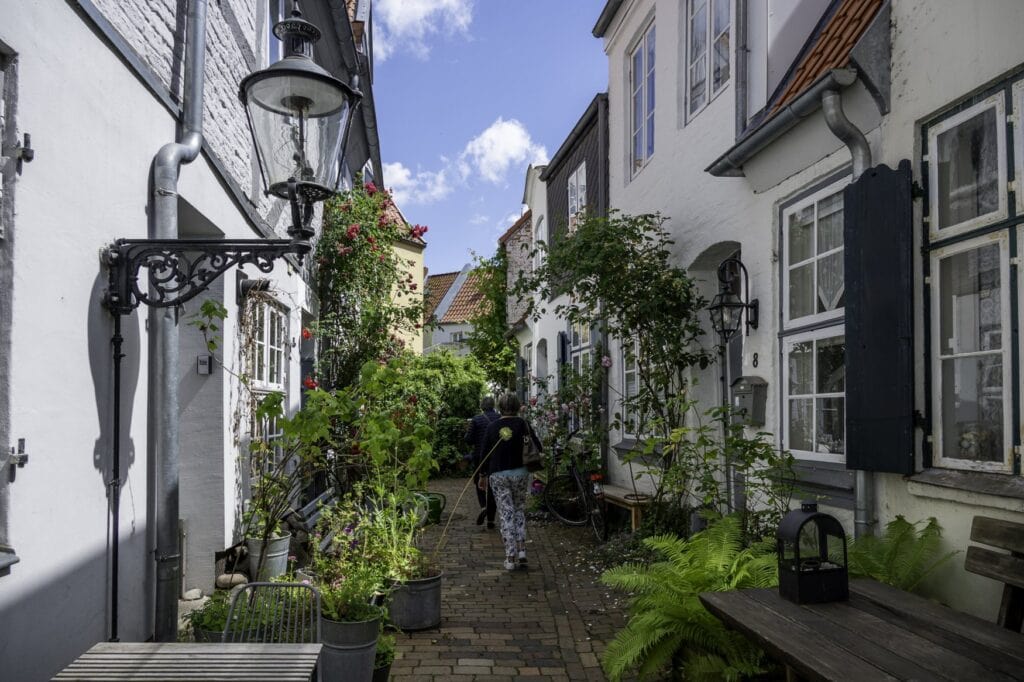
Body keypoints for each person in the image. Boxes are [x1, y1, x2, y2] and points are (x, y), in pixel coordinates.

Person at [481, 392, 542, 571]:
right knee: (519, 510)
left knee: (506, 513)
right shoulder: (523, 424)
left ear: (500, 407)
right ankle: (522, 550)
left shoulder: (492, 427)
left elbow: (484, 454)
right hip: (520, 474)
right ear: (517, 407)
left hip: (498, 475)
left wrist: (482, 475)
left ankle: (510, 556)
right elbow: (537, 447)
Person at [465, 395, 499, 528]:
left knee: (479, 483)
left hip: (480, 456)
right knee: (493, 486)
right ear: (494, 405)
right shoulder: (500, 418)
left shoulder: (476, 419)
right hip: (496, 457)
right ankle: (491, 520)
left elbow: (468, 439)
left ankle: (483, 506)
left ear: (482, 406)